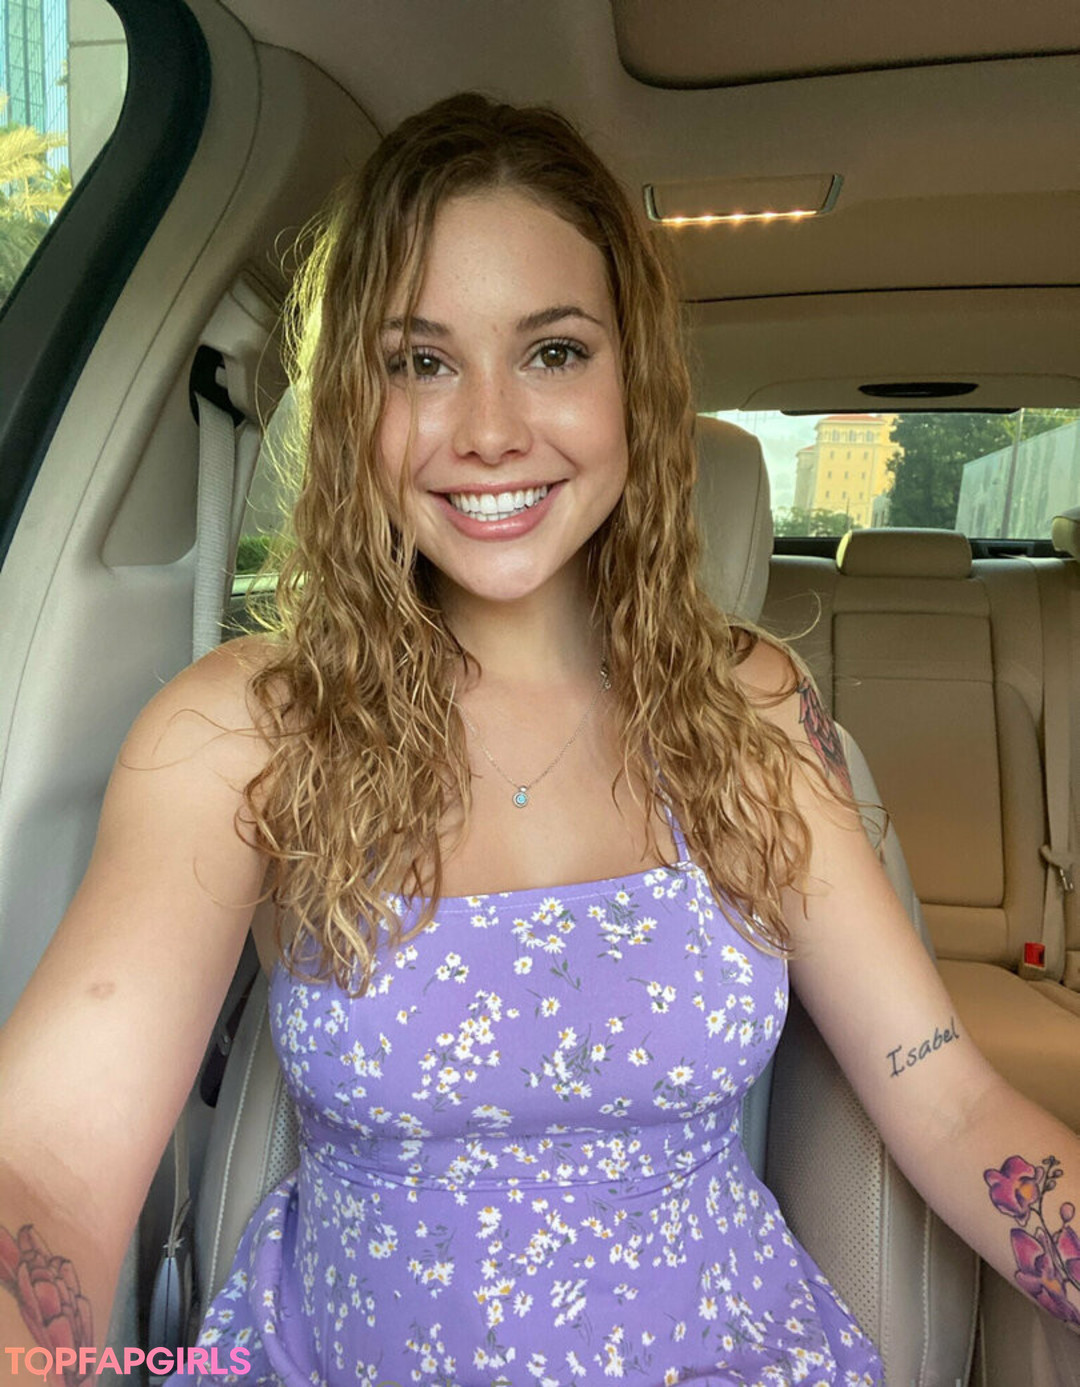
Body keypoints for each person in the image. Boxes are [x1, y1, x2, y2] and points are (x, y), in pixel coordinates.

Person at [1, 92, 1079, 1387]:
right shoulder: (243, 731)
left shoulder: (753, 711)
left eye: (554, 352)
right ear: (352, 405)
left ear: (636, 385)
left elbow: (949, 1099)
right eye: (421, 361)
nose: (491, 430)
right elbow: (46, 1166)